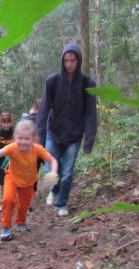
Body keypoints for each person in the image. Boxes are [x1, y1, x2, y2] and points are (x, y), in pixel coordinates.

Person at [37, 42, 97, 217]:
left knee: (67, 172)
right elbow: (43, 110)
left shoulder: (88, 83)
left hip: (74, 136)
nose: (69, 64)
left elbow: (90, 113)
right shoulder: (53, 81)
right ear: (62, 61)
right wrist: (40, 139)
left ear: (78, 61)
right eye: (66, 60)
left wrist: (89, 139)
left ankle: (62, 204)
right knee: (51, 170)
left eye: (73, 60)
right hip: (53, 134)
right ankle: (53, 190)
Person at [0, 120, 58, 241]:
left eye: (27, 139)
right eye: (20, 138)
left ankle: (21, 222)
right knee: (8, 199)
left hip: (28, 182)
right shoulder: (12, 147)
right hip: (12, 178)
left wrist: (53, 172)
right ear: (15, 137)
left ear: (33, 139)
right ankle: (6, 227)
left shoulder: (37, 149)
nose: (23, 142)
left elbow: (52, 160)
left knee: (24, 205)